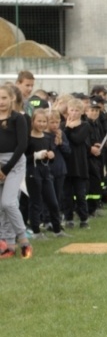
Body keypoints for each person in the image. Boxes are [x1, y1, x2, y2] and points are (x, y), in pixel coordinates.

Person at [0, 84, 33, 259]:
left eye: (4, 98)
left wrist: (6, 169)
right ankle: (8, 246)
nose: (1, 102)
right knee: (1, 207)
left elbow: (22, 145)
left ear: (12, 99)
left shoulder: (18, 118)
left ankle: (24, 240)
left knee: (8, 203)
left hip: (14, 163)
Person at [25, 109, 67, 239]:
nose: (42, 124)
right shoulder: (28, 138)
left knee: (53, 202)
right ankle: (36, 231)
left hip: (46, 172)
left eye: (44, 121)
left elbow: (51, 154)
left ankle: (57, 230)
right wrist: (36, 156)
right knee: (36, 202)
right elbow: (24, 158)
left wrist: (51, 155)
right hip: (33, 173)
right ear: (33, 121)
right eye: (39, 121)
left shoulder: (48, 137)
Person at [63, 98, 91, 229]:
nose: (73, 113)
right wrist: (66, 128)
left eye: (76, 110)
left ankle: (84, 219)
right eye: (71, 110)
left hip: (79, 164)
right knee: (67, 194)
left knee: (80, 193)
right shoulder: (64, 124)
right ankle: (68, 218)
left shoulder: (85, 125)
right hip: (66, 163)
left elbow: (77, 140)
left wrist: (69, 129)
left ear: (81, 112)